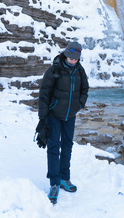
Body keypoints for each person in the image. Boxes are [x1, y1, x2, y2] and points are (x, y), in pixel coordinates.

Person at [36, 41, 89, 204]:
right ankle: (54, 183)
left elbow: (85, 90)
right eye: (70, 57)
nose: (72, 60)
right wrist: (42, 118)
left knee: (67, 145)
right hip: (53, 115)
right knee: (53, 147)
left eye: (75, 58)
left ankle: (64, 178)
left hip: (70, 116)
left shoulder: (80, 71)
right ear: (65, 54)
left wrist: (79, 105)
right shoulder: (54, 70)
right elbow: (44, 94)